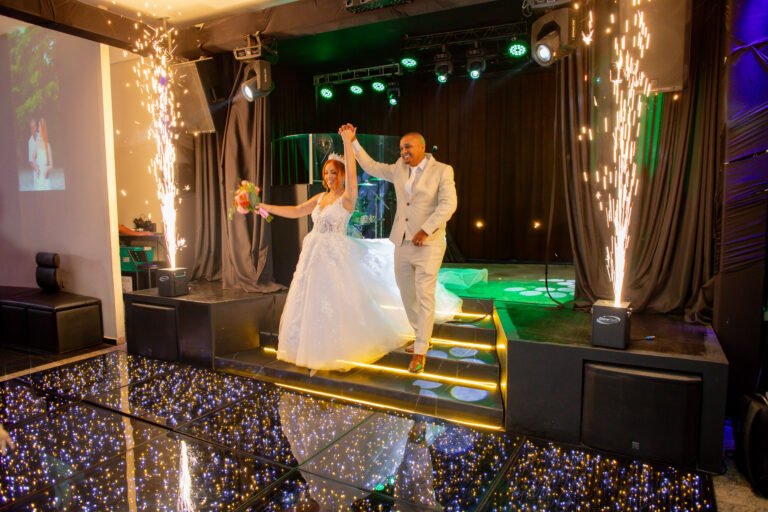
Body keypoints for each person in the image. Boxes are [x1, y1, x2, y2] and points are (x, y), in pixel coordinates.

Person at [259, 128, 417, 372]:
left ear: (341, 174)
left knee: (336, 302)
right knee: (310, 302)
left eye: (334, 172)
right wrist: (263, 207)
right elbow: (296, 210)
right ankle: (310, 348)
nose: (329, 176)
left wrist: (347, 142)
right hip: (312, 256)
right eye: (326, 172)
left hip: (334, 257)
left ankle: (336, 350)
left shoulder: (347, 198)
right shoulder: (320, 198)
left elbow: (353, 177)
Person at [342, 124, 458, 374]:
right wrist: (353, 142)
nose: (403, 151)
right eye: (401, 148)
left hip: (429, 243)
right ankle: (421, 335)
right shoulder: (398, 168)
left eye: (407, 147)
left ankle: (420, 350)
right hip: (402, 241)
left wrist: (426, 229)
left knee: (425, 294)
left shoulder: (442, 170)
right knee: (406, 293)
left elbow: (449, 205)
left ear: (422, 147)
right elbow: (371, 167)